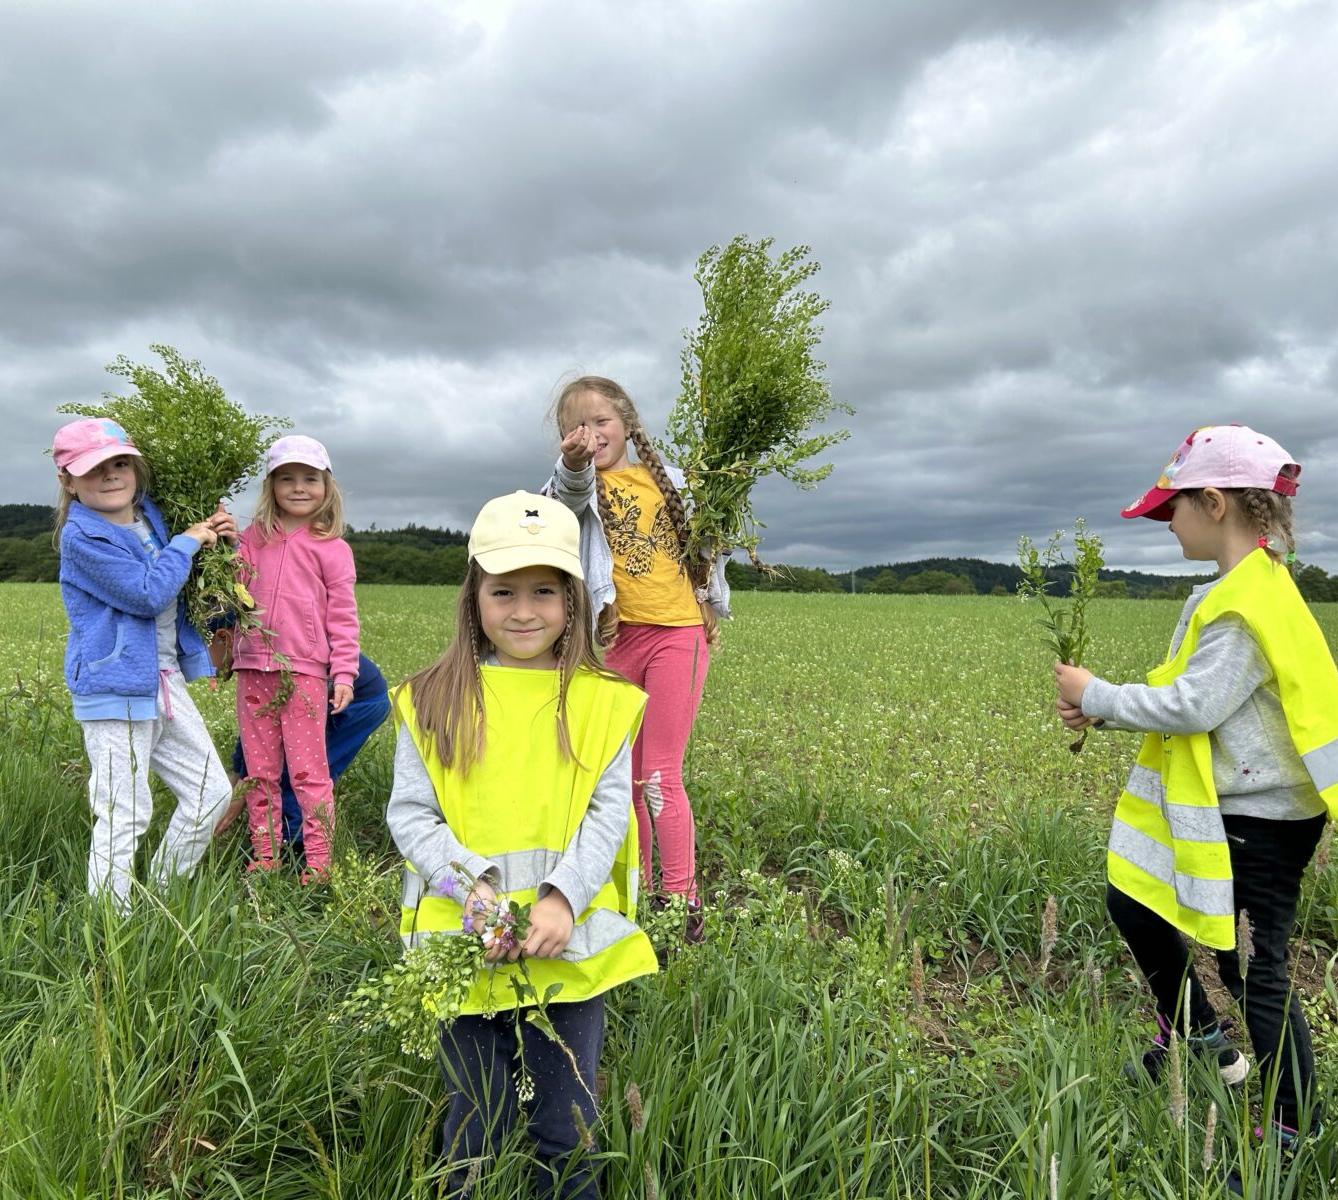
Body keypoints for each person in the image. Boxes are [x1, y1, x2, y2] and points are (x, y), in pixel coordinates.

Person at [1054, 424, 1337, 1180]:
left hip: (1266, 820)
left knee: (1256, 967)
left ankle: (1294, 1126)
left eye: (1169, 510)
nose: (1166, 523)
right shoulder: (1242, 590)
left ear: (1214, 503)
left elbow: (1195, 705)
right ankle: (1202, 1037)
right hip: (1239, 808)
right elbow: (1194, 694)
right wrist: (1108, 709)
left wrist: (1098, 695)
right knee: (1133, 898)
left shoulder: (1246, 604)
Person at [388, 490, 656, 1199]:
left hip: (566, 945)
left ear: (573, 599)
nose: (524, 610)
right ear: (473, 596)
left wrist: (563, 899)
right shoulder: (430, 698)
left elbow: (607, 814)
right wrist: (474, 898)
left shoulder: (603, 701)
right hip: (463, 940)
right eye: (503, 590)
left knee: (568, 1126)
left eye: (544, 590)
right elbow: (412, 815)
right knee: (476, 1120)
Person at [545, 375, 730, 935]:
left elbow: (710, 542)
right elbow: (563, 500)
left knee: (659, 774)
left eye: (602, 421)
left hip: (679, 634)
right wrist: (575, 466)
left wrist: (711, 606)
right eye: (576, 426)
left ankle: (681, 904)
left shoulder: (671, 480)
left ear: (628, 422)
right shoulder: (574, 484)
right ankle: (640, 890)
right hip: (617, 637)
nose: (592, 432)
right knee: (622, 778)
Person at [53, 417, 234, 905]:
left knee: (211, 794)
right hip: (114, 689)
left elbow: (183, 564)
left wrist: (213, 534)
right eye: (93, 469)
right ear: (68, 481)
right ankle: (111, 923)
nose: (111, 476)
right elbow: (147, 592)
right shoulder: (82, 537)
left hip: (162, 681)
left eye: (119, 463)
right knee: (124, 811)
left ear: (135, 467)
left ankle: (162, 893)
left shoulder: (149, 513)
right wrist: (188, 542)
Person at [233, 435, 359, 881]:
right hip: (253, 669)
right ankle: (267, 856)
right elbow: (233, 585)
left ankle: (319, 862)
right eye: (287, 479)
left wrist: (343, 672)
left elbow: (343, 617)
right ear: (271, 487)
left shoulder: (333, 548)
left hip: (304, 673)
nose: (299, 488)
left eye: (310, 478)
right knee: (260, 771)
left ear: (327, 486)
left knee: (309, 773)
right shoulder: (251, 539)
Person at [215, 652, 390, 859]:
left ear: (223, 638)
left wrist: (243, 789)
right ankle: (275, 842)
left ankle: (295, 850)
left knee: (302, 772)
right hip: (326, 694)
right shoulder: (253, 655)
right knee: (285, 766)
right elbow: (257, 730)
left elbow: (268, 730)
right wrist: (238, 772)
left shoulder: (271, 658)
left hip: (360, 701)